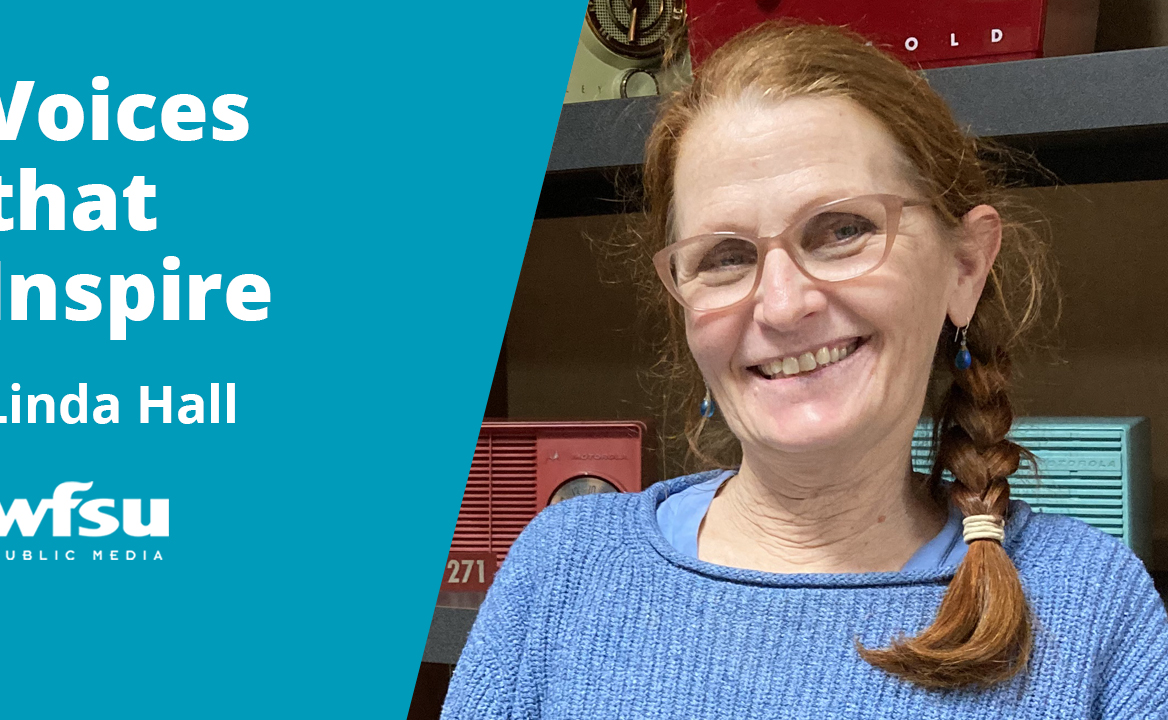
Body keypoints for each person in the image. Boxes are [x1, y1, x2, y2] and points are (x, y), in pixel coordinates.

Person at [441, 21, 1168, 718]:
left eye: (843, 230)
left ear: (965, 266)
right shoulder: (561, 570)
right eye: (725, 257)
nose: (783, 306)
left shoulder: (1094, 607)